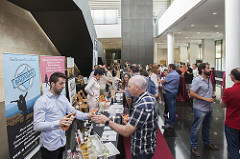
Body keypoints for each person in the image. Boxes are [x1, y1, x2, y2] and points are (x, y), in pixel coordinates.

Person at [92, 75, 158, 159]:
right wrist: (132, 119)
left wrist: (107, 121)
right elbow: (145, 118)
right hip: (146, 145)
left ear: (137, 88)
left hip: (142, 149)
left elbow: (126, 132)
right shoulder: (148, 98)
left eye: (129, 86)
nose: (127, 89)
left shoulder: (142, 104)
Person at [34, 72, 93, 159]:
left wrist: (87, 115)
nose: (63, 86)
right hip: (49, 146)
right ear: (52, 84)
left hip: (61, 142)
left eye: (64, 83)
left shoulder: (62, 98)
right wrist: (58, 123)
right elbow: (37, 126)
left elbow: (73, 112)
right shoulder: (42, 102)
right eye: (61, 83)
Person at [190, 63, 219, 157]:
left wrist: (211, 96)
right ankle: (194, 146)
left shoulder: (208, 79)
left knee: (207, 127)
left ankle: (207, 142)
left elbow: (205, 92)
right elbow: (192, 94)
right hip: (200, 109)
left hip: (209, 108)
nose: (210, 69)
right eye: (208, 68)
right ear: (202, 70)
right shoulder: (197, 80)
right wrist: (206, 99)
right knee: (196, 128)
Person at [220, 68, 240, 159]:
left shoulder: (229, 91)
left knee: (233, 148)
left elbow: (222, 104)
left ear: (232, 77)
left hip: (233, 124)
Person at [161, 64, 180, 129]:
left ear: (171, 68)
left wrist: (161, 81)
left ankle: (170, 123)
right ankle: (171, 120)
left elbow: (163, 81)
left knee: (171, 108)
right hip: (173, 92)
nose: (167, 69)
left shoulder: (171, 74)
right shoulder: (176, 73)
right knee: (173, 107)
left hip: (170, 92)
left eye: (168, 68)